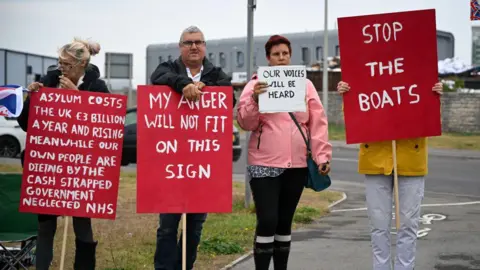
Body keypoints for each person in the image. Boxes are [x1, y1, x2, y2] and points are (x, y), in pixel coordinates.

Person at [236, 35, 332, 270]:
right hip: (264, 164)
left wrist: (322, 156)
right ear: (268, 59)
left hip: (297, 165)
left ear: (290, 56)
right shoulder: (255, 85)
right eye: (276, 54)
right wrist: (256, 100)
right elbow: (244, 123)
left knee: (284, 223)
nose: (281, 58)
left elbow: (317, 122)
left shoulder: (305, 85)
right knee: (268, 220)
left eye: (285, 54)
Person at [17, 38, 109, 270]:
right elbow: (27, 123)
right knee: (45, 228)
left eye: (67, 64)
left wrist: (77, 96)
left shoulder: (97, 86)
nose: (62, 68)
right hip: (48, 165)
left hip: (80, 167)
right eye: (60, 63)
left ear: (82, 65)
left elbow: (104, 126)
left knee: (82, 226)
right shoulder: (49, 80)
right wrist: (31, 98)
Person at [150, 25, 235, 270]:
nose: (194, 46)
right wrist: (183, 84)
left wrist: (206, 88)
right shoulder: (168, 68)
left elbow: (228, 98)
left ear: (205, 46)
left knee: (195, 226)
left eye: (198, 42)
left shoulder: (216, 73)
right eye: (188, 42)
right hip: (171, 165)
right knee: (167, 225)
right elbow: (158, 78)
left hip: (202, 166)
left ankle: (185, 266)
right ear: (180, 47)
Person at [336, 80, 443, 270]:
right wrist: (348, 96)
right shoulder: (368, 72)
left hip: (412, 159)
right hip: (375, 160)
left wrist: (434, 97)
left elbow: (428, 118)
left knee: (408, 225)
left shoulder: (417, 72)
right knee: (378, 225)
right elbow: (354, 119)